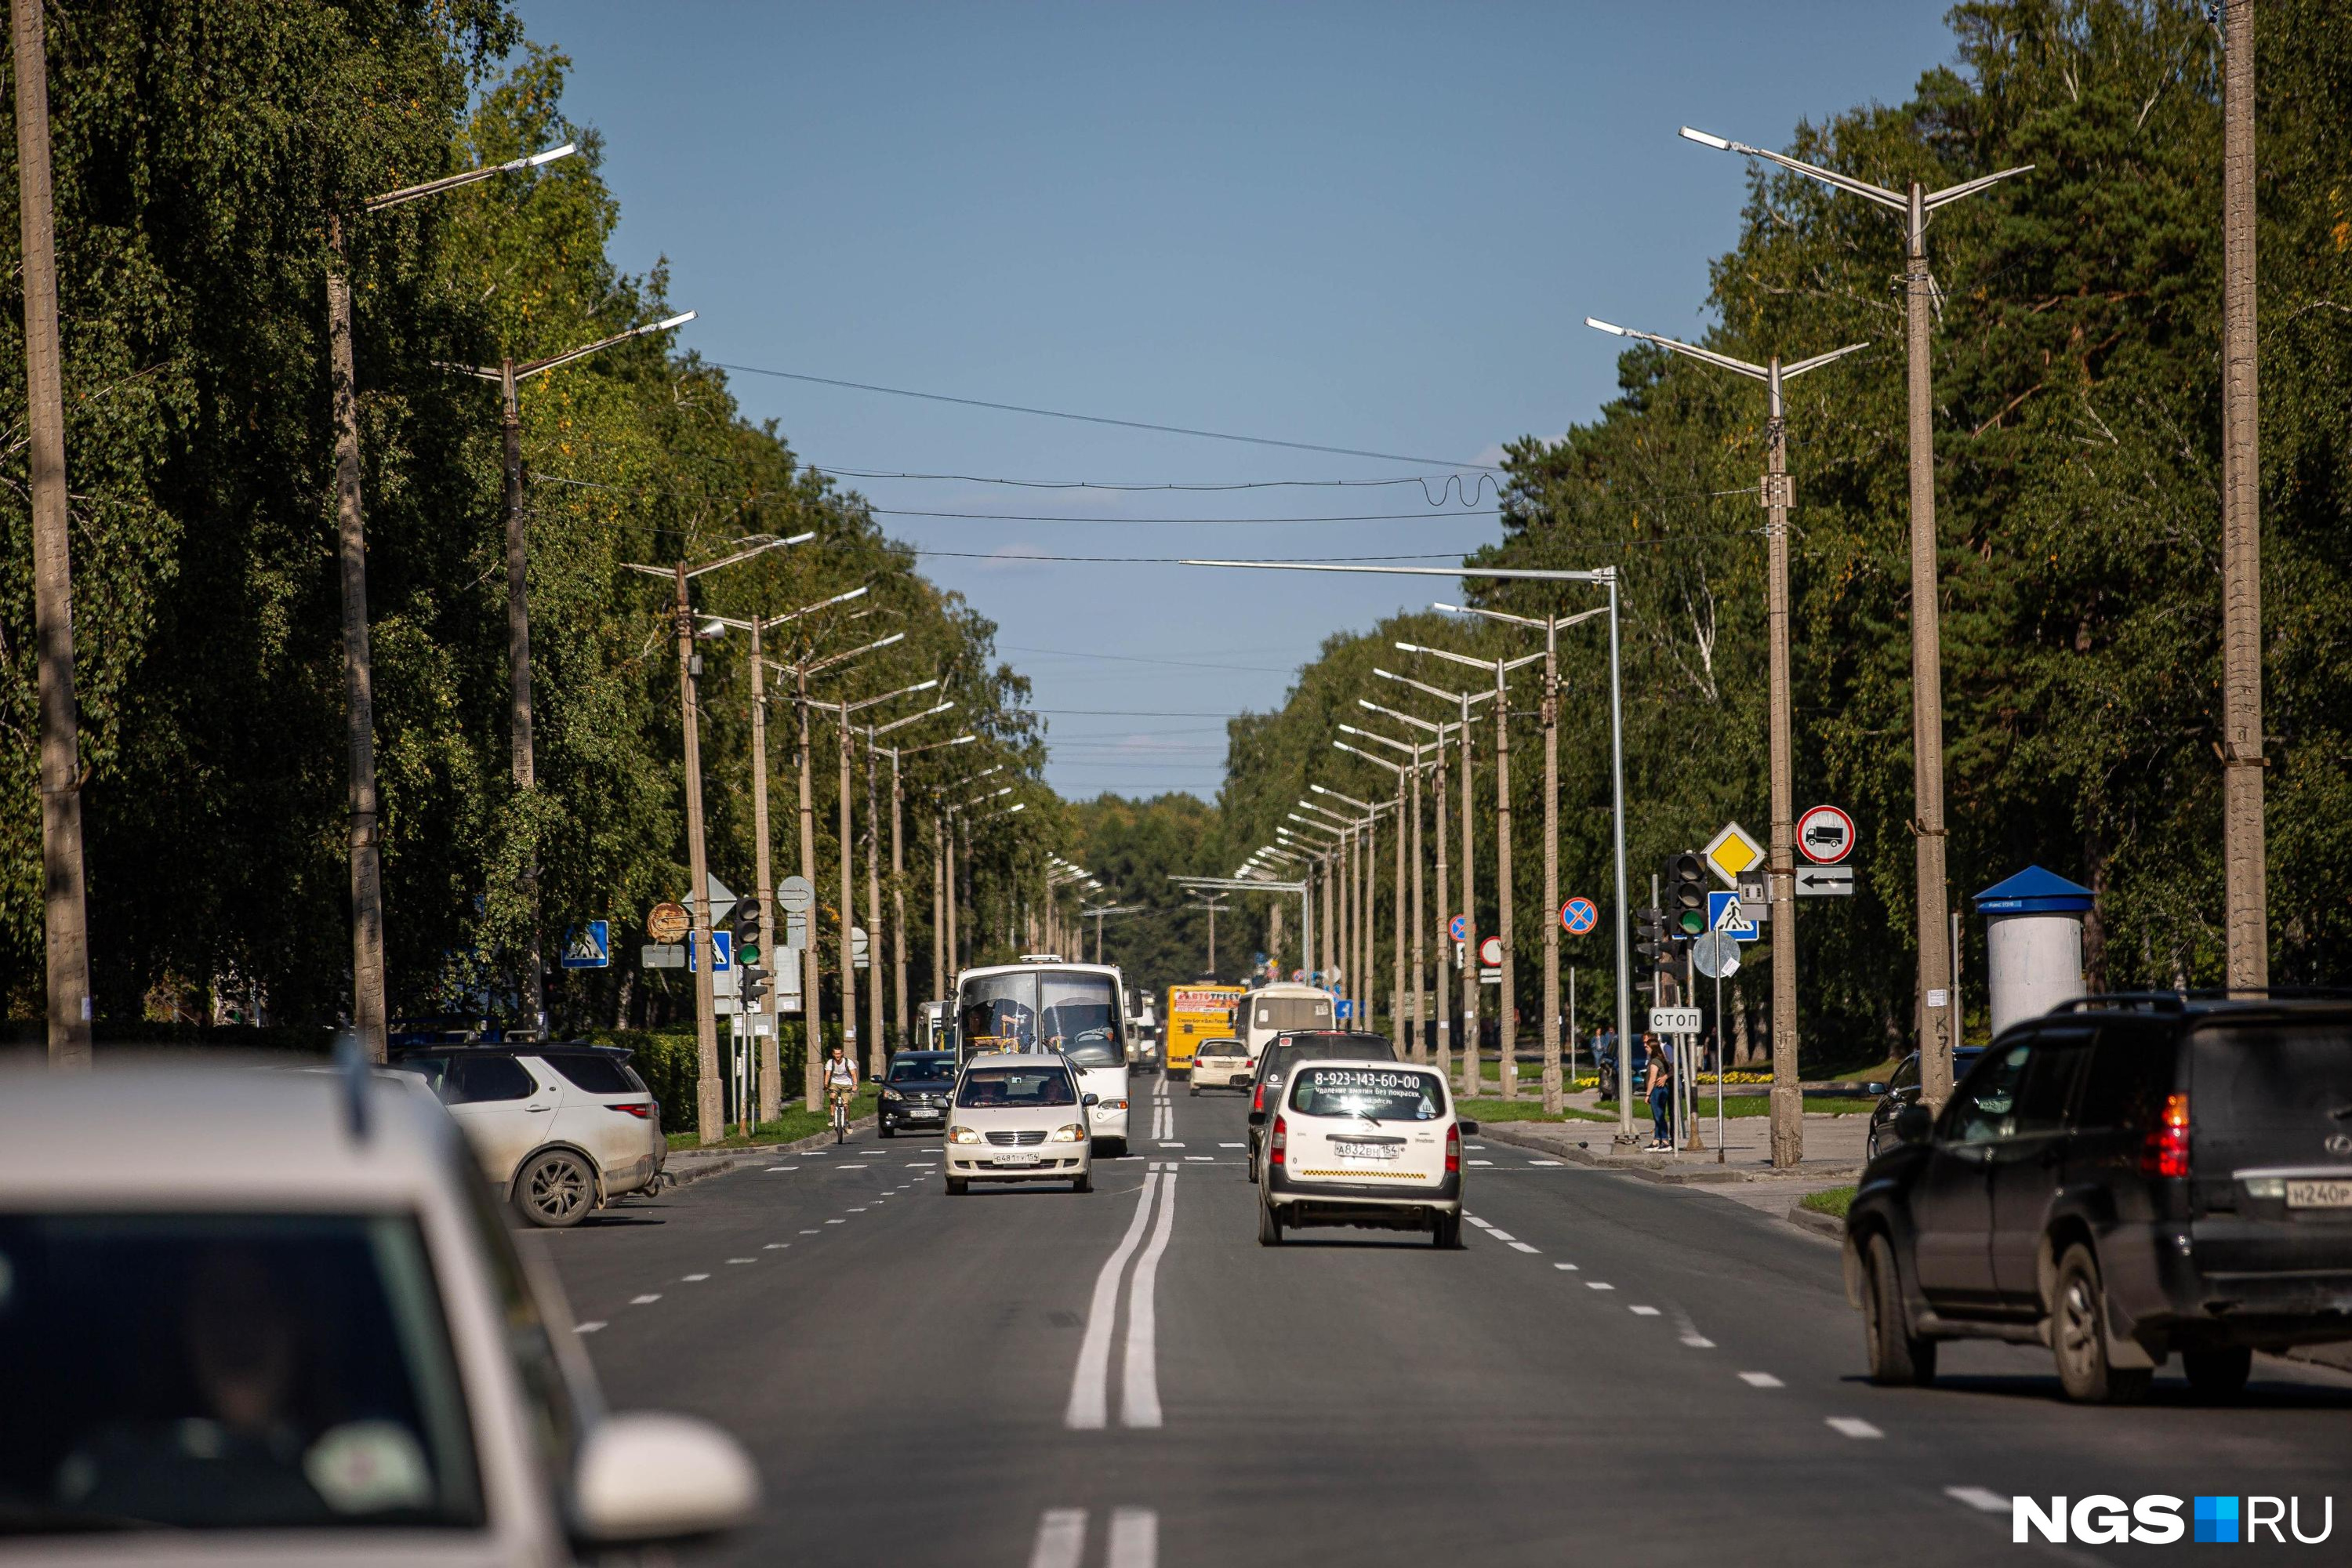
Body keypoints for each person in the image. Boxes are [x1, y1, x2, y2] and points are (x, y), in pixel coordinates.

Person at [1644, 1034, 1672, 1151]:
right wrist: (1666, 1077)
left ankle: (1665, 1142)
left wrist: (1647, 1095)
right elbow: (1672, 1070)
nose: (1645, 1048)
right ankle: (1656, 1141)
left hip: (1657, 1090)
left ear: (1653, 1049)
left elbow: (1652, 1080)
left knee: (1659, 1115)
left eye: (1647, 1047)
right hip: (1663, 1090)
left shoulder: (1655, 1062)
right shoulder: (1661, 1060)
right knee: (1658, 1115)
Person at [823, 1045, 858, 1120]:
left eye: (839, 1053)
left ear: (842, 1053)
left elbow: (853, 1074)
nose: (837, 1055)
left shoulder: (848, 1062)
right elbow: (828, 1074)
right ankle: (832, 1117)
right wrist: (826, 1085)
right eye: (836, 1054)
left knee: (845, 1105)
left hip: (847, 1084)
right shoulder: (830, 1062)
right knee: (832, 1097)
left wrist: (855, 1085)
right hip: (835, 1083)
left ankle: (847, 1121)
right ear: (833, 1054)